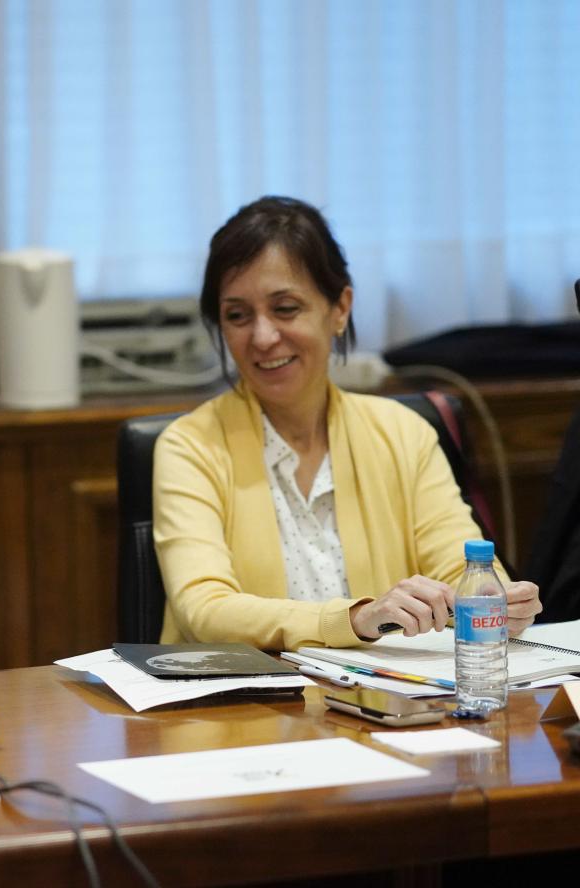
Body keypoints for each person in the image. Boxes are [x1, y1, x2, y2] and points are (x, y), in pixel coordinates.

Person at [153, 196, 542, 650]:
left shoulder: (403, 432)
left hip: (384, 702)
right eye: (237, 315)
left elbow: (459, 562)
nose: (262, 336)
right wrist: (356, 618)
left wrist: (493, 595)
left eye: (285, 308)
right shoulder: (189, 445)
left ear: (339, 309)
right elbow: (205, 607)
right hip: (240, 708)